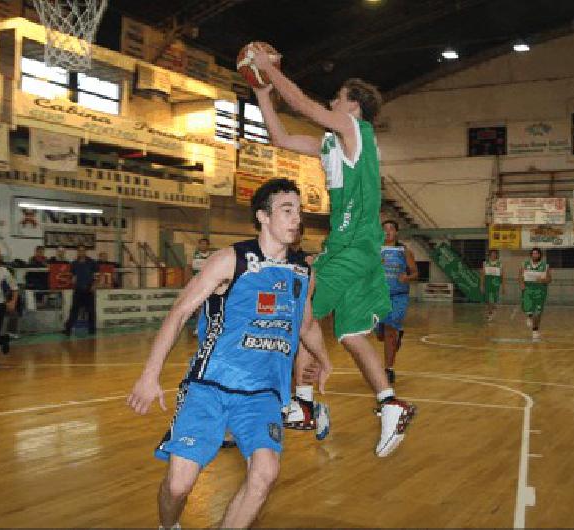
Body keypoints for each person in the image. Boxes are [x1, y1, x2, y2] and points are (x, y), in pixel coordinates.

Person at [126, 179, 332, 529]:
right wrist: (150, 375)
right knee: (178, 486)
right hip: (209, 387)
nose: (296, 218)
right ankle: (168, 526)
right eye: (287, 210)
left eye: (299, 211)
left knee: (265, 474)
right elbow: (179, 313)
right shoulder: (230, 261)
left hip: (263, 394)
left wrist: (325, 360)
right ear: (263, 216)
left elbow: (306, 324)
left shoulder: (303, 273)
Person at [250, 45, 416, 457]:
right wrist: (261, 93)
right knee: (353, 335)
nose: (332, 102)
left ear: (353, 107)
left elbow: (306, 106)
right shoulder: (331, 146)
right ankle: (389, 403)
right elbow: (281, 137)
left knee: (299, 308)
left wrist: (271, 69)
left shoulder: (356, 131)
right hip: (356, 250)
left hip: (352, 247)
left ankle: (303, 403)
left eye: (339, 98)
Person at [282, 224, 330, 440]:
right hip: (271, 324)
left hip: (297, 318)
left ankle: (306, 403)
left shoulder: (307, 262)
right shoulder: (266, 256)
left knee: (302, 354)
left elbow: (309, 300)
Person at [375, 220, 418, 385]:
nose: (387, 232)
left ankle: (388, 369)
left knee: (389, 330)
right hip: (378, 296)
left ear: (396, 232)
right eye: (384, 229)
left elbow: (415, 273)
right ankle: (396, 337)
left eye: (391, 229)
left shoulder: (404, 251)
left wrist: (407, 277)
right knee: (381, 335)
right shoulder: (375, 250)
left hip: (398, 296)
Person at [518, 247, 553, 341]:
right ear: (531, 255)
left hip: (540, 291)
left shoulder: (545, 266)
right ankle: (529, 316)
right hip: (528, 290)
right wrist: (521, 284)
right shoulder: (524, 264)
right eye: (533, 253)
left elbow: (549, 280)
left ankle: (535, 331)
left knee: (537, 313)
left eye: (537, 253)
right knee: (527, 308)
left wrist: (542, 280)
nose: (535, 255)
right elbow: (520, 276)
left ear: (539, 255)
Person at [63, 245, 98, 336]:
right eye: (79, 251)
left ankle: (92, 329)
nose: (81, 252)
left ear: (85, 252)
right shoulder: (74, 263)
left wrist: (94, 285)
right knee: (74, 310)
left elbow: (96, 275)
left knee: (91, 310)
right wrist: (73, 282)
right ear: (77, 252)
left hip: (89, 289)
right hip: (78, 289)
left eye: (83, 251)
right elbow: (73, 276)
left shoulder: (92, 262)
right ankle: (68, 329)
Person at [186, 238, 213, 336]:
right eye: (201, 244)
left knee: (210, 307)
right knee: (198, 307)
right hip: (197, 284)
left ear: (208, 245)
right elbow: (188, 269)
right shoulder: (193, 256)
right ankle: (198, 327)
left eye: (205, 244)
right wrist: (189, 282)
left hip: (210, 284)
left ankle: (210, 327)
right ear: (198, 245)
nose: (203, 246)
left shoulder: (212, 256)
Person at [480, 248, 506, 322]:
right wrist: (481, 285)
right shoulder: (485, 263)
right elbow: (482, 275)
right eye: (492, 254)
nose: (493, 255)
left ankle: (490, 314)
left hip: (495, 284)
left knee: (492, 300)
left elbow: (503, 276)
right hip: (487, 284)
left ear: (496, 255)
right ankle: (493, 309)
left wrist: (503, 287)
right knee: (488, 301)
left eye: (495, 254)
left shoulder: (500, 264)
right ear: (489, 255)